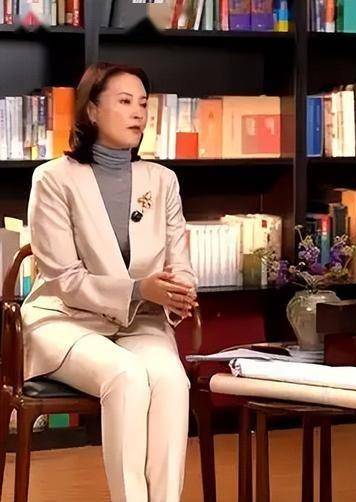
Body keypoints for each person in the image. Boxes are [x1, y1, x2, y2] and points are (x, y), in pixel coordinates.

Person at [21, 62, 198, 502]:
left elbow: (179, 261)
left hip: (141, 321)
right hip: (66, 319)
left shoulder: (163, 181)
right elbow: (64, 278)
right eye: (124, 101)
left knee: (171, 382)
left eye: (143, 103)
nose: (138, 112)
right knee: (127, 376)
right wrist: (140, 289)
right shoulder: (53, 179)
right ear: (92, 110)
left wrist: (180, 291)